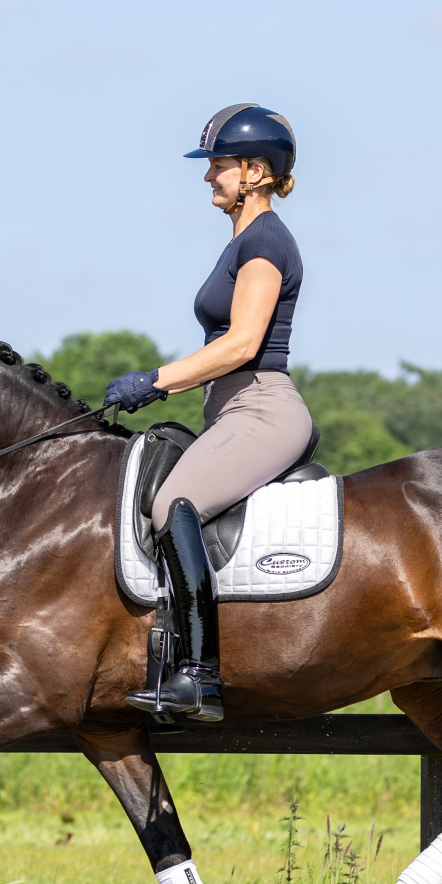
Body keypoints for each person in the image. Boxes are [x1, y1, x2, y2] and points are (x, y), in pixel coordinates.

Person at [106, 104, 316, 724]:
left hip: (261, 407)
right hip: (232, 408)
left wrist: (156, 381)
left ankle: (200, 676)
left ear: (255, 171)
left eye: (218, 166)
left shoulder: (265, 242)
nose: (209, 178)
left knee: (174, 507)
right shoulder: (244, 240)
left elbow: (243, 343)